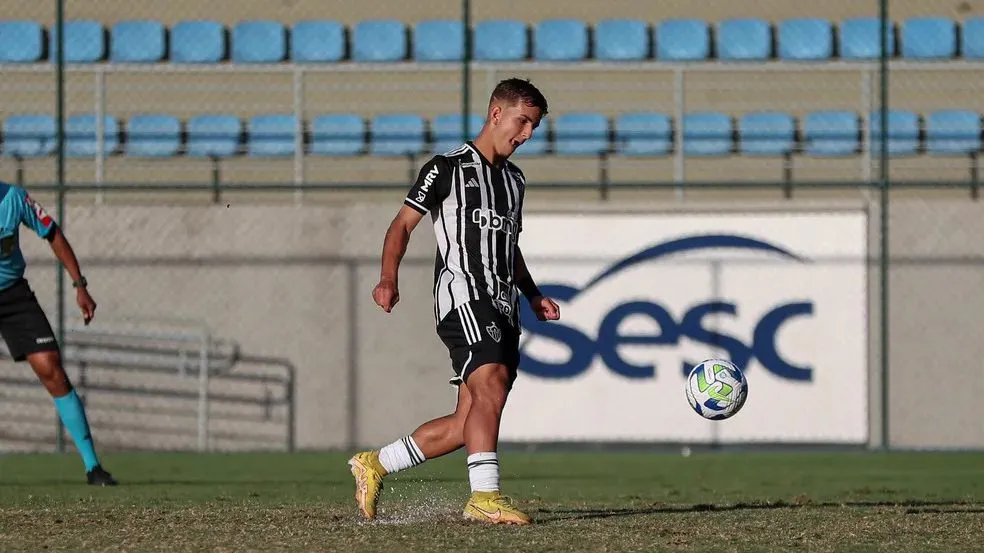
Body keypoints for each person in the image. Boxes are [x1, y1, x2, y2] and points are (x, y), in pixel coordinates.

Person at [349, 78, 560, 525]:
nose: (525, 136)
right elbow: (401, 226)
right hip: (463, 294)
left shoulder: (516, 182)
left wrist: (533, 294)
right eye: (522, 122)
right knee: (493, 382)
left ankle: (375, 464)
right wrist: (389, 278)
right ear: (496, 113)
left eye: (534, 128)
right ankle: (485, 497)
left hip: (502, 303)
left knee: (468, 423)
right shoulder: (446, 168)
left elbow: (509, 246)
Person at [0, 181, 116, 486]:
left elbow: (52, 233)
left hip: (12, 295)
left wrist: (80, 287)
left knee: (50, 367)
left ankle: (93, 467)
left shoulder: (14, 198)